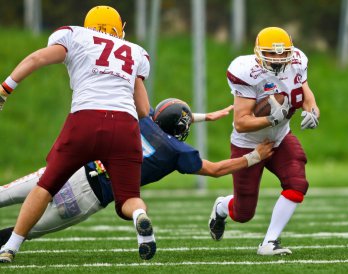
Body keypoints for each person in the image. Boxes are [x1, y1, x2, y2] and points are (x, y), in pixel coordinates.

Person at [0, 98, 274, 248]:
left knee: (5, 194)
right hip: (93, 196)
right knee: (23, 232)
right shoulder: (178, 152)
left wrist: (203, 116)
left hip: (72, 170)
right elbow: (215, 170)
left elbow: (157, 113)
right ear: (181, 129)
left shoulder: (140, 118)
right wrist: (253, 157)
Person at [0, 6, 156, 263]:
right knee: (129, 198)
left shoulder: (76, 36)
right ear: (120, 28)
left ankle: (11, 247)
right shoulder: (135, 52)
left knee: (46, 185)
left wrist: (6, 88)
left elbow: (36, 59)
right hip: (124, 128)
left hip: (86, 120)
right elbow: (142, 109)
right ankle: (140, 218)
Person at [208, 27, 320, 255]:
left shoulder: (297, 61)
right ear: (258, 52)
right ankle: (221, 207)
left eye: (283, 53)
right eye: (272, 53)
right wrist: (270, 118)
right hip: (248, 144)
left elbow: (306, 93)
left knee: (297, 183)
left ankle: (269, 242)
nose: (279, 59)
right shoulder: (246, 70)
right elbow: (241, 122)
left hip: (280, 138)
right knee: (243, 213)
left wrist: (313, 111)